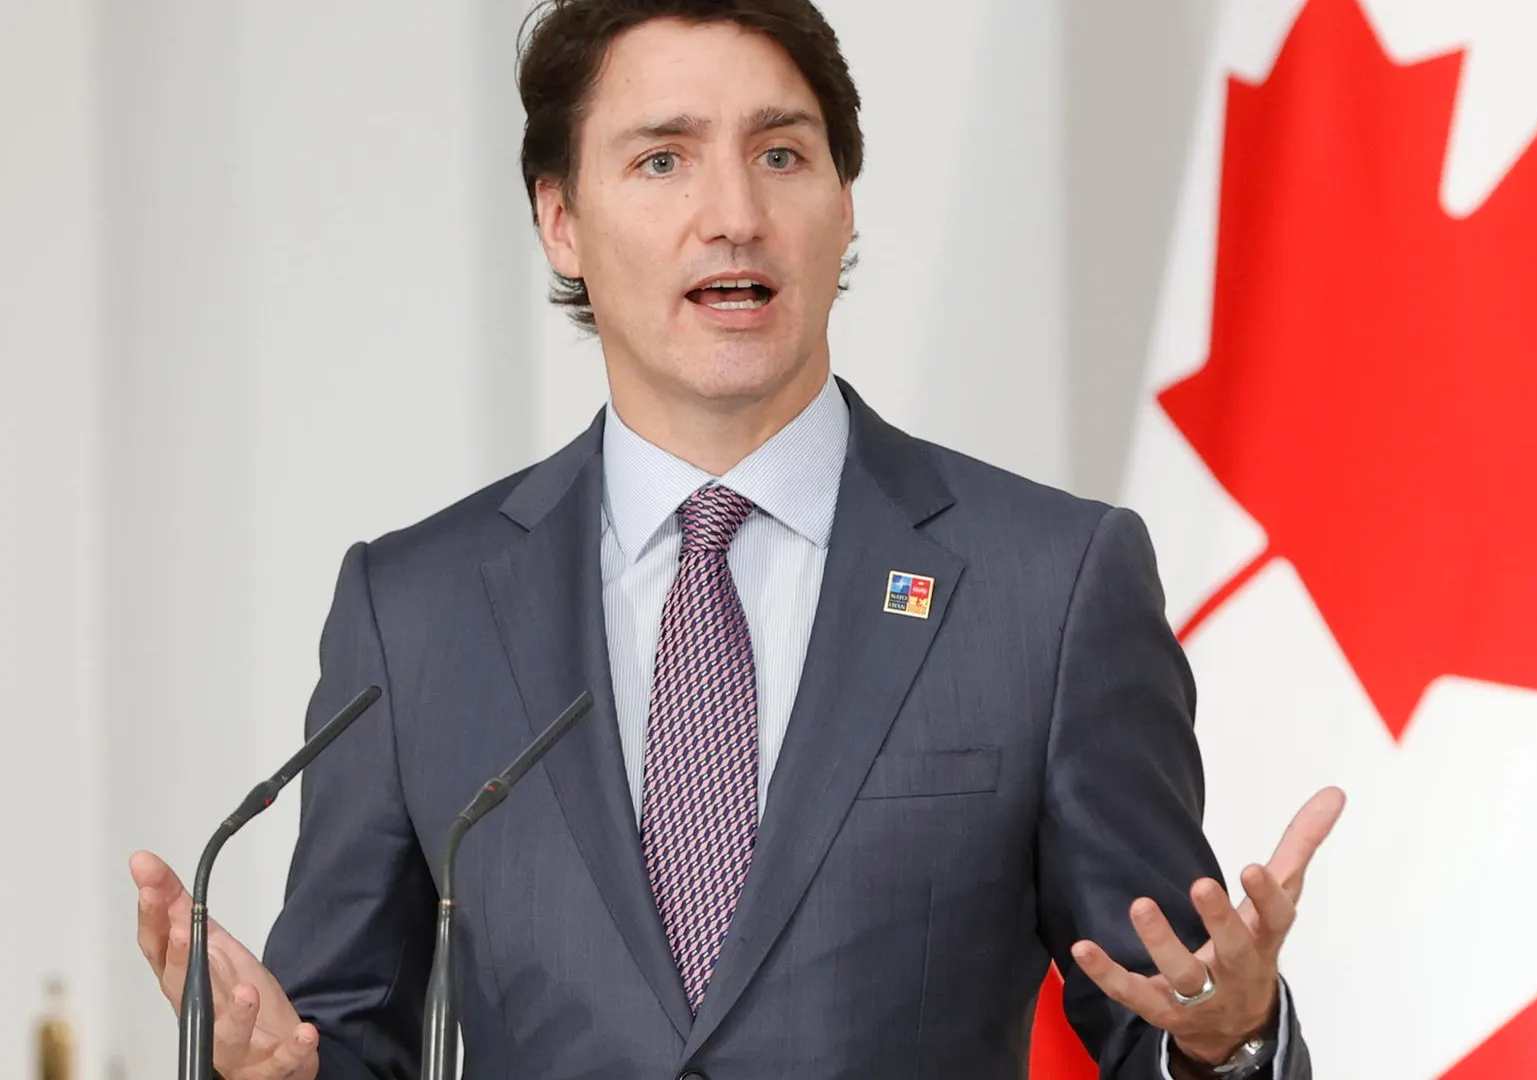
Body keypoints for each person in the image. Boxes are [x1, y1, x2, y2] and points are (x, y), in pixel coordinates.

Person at [127, 1, 1343, 1077]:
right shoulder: (416, 610)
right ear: (561, 221)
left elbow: (1155, 1012)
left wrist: (1228, 1044)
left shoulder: (1049, 585)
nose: (735, 214)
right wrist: (273, 1076)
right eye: (663, 159)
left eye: (781, 153)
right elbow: (347, 1033)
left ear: (843, 200)